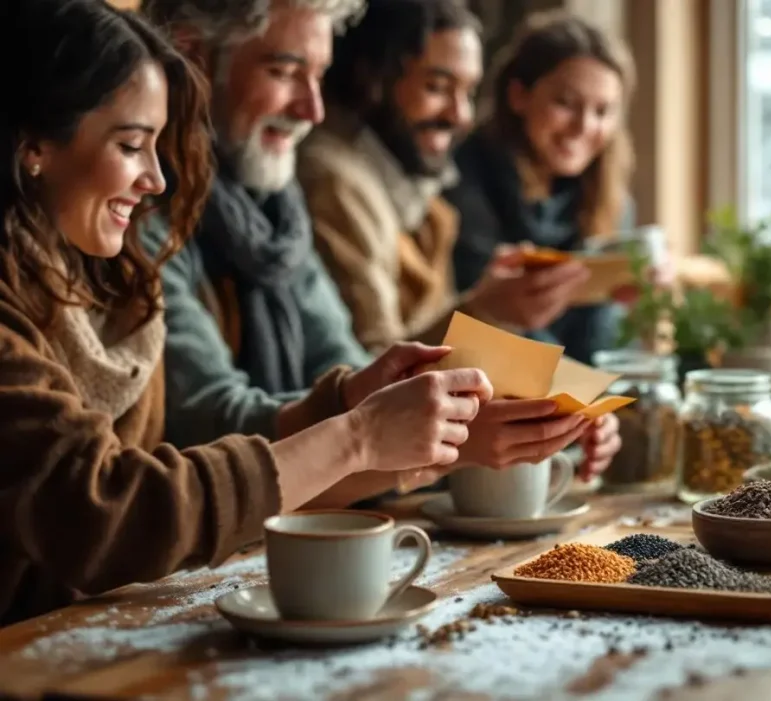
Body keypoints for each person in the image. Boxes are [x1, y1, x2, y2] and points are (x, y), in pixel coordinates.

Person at [0, 0, 493, 625]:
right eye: (130, 145)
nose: (156, 180)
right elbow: (103, 509)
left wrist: (366, 405)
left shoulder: (108, 276)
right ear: (33, 146)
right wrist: (358, 434)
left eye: (157, 146)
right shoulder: (135, 249)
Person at [298, 0, 621, 481]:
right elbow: (374, 376)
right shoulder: (339, 182)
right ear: (373, 77)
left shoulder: (423, 197)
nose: (461, 115)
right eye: (436, 87)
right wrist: (487, 309)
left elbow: (434, 348)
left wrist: (576, 409)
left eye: (468, 91)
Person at [445, 10, 639, 365]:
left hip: (578, 387)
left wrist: (637, 298)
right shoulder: (463, 183)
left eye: (603, 111)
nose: (584, 126)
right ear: (519, 95)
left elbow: (606, 345)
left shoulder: (610, 200)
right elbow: (485, 329)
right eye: (566, 103)